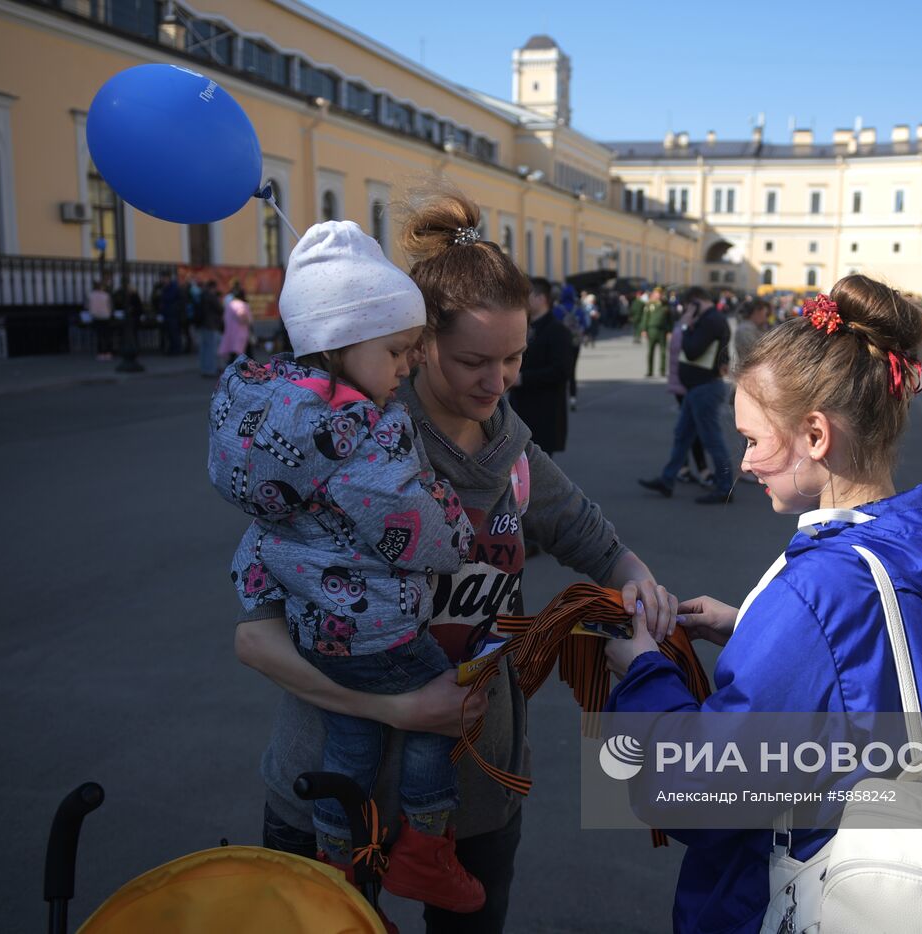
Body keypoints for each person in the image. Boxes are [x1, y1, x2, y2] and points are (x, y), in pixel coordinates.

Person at [230, 187, 679, 934]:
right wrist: (395, 707)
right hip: (334, 791)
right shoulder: (348, 444)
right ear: (419, 342)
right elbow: (255, 638)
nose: (497, 382)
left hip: (474, 789)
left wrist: (640, 585)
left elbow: (594, 540)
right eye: (474, 359)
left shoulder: (511, 446)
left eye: (513, 358)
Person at [604, 275, 922, 934]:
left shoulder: (819, 590)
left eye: (752, 438)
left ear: (817, 436)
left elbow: (695, 793)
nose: (744, 462)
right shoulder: (907, 550)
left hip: (787, 894)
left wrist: (644, 672)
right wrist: (748, 629)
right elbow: (869, 679)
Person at [209, 220, 487, 912]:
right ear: (339, 344)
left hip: (318, 629)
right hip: (379, 627)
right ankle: (427, 845)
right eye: (395, 351)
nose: (404, 367)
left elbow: (266, 538)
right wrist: (457, 528)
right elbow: (415, 527)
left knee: (353, 741)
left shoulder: (274, 423)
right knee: (436, 710)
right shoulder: (358, 432)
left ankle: (336, 861)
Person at [638, 286, 735, 504]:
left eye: (688, 306)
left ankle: (725, 486)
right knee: (683, 435)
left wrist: (685, 325)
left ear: (696, 302)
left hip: (704, 388)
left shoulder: (710, 320)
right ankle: (667, 479)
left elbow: (692, 350)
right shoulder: (711, 319)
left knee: (711, 439)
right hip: (698, 388)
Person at [509, 276, 571, 455]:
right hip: (520, 408)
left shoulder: (558, 331)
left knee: (538, 469)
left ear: (541, 298)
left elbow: (561, 370)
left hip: (544, 412)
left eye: (526, 295)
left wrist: (523, 378)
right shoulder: (526, 327)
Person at [666, 299, 711, 488]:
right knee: (693, 431)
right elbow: (689, 353)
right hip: (684, 386)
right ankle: (701, 471)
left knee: (686, 431)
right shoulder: (683, 330)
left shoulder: (683, 329)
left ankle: (683, 470)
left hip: (684, 384)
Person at [553, 284, 585, 411]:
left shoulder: (557, 310)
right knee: (572, 371)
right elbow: (584, 324)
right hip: (575, 343)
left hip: (560, 344)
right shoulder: (578, 309)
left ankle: (559, 399)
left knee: (560, 370)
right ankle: (573, 398)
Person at [731, 298, 770, 371]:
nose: (766, 319)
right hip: (751, 373)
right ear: (757, 312)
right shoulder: (745, 330)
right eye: (765, 314)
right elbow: (755, 355)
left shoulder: (755, 327)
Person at [642, 287, 672, 378]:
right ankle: (650, 371)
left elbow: (670, 320)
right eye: (656, 293)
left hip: (662, 330)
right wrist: (644, 329)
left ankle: (662, 371)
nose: (658, 295)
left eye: (660, 294)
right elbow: (645, 318)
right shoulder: (649, 305)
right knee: (650, 351)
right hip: (652, 329)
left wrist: (670, 331)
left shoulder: (665, 305)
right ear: (653, 295)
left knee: (663, 351)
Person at [196, 279, 223, 377]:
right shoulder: (211, 296)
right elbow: (220, 309)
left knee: (204, 349)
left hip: (202, 324)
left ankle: (204, 369)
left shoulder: (201, 295)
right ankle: (211, 370)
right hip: (211, 325)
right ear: (213, 288)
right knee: (211, 349)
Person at [219, 286, 251, 365]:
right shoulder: (242, 305)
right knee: (241, 355)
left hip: (229, 332)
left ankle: (229, 370)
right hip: (241, 333)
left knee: (232, 354)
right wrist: (247, 320)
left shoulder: (229, 305)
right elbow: (242, 316)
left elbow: (224, 318)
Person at [87, 278, 112, 360]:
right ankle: (108, 352)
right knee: (106, 335)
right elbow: (109, 306)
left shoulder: (91, 295)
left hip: (96, 316)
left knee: (99, 335)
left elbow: (88, 306)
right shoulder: (106, 295)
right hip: (105, 316)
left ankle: (100, 353)